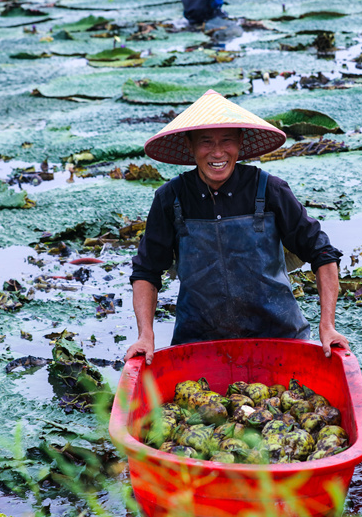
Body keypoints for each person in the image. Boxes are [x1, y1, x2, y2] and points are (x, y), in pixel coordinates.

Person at [126, 89, 349, 364]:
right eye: (206, 142)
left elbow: (323, 253)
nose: (217, 152)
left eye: (227, 141)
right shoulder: (170, 198)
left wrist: (327, 326)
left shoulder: (271, 190)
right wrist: (145, 336)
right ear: (189, 145)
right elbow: (146, 271)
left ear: (241, 143)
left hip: (280, 339)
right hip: (199, 344)